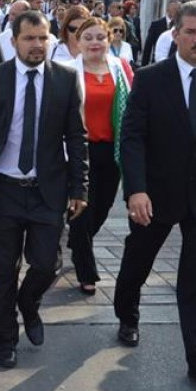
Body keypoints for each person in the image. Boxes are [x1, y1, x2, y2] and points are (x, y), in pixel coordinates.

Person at [113, 0, 196, 391]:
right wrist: (136, 189)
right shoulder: (152, 79)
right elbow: (132, 136)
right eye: (191, 32)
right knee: (139, 260)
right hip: (156, 193)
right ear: (176, 34)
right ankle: (128, 314)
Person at [0, 10, 89, 369]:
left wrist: (80, 186)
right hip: (3, 188)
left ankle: (29, 303)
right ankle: (6, 336)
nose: (37, 45)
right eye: (29, 38)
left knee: (47, 263)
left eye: (42, 38)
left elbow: (76, 137)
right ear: (14, 40)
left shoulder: (65, 79)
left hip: (47, 187)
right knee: (4, 267)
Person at [66, 18, 133, 294]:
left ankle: (77, 242)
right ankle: (86, 271)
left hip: (111, 150)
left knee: (102, 208)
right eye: (88, 37)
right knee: (82, 208)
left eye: (100, 37)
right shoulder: (67, 72)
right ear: (78, 43)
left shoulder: (121, 69)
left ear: (109, 40)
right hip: (79, 150)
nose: (95, 43)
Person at [141, 0, 180, 66]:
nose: (178, 12)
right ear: (168, 10)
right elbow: (148, 47)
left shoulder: (180, 26)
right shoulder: (156, 25)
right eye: (175, 9)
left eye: (179, 9)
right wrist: (144, 66)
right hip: (157, 64)